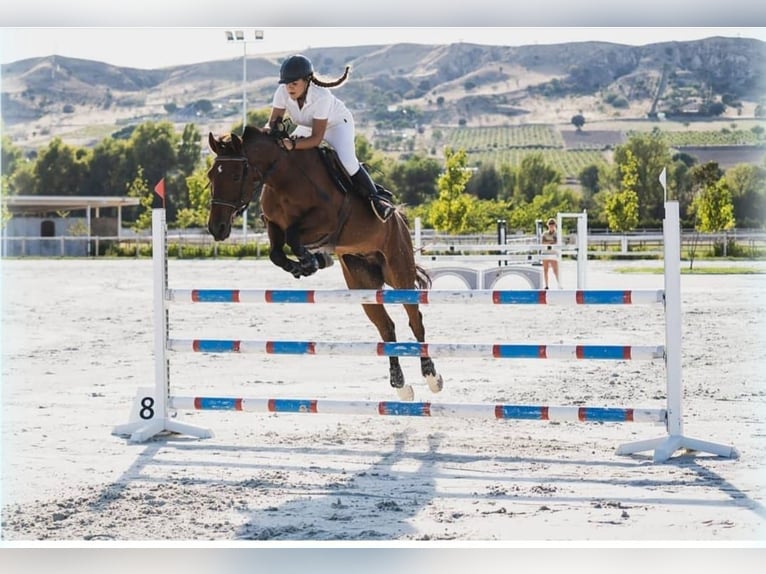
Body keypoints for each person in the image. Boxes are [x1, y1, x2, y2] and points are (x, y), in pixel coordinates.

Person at [265, 54, 394, 222]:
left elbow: (316, 139)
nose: (290, 88)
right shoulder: (282, 92)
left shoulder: (322, 96)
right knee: (288, 155)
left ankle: (377, 199)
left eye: (294, 84)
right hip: (309, 125)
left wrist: (292, 143)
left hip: (337, 125)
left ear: (307, 81)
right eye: (287, 84)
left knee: (347, 161)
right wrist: (266, 134)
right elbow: (273, 123)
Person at [541, 218, 562, 289]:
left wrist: (548, 241)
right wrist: (550, 242)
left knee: (555, 270)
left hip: (553, 253)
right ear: (548, 225)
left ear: (555, 225)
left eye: (552, 224)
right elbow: (543, 242)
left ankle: (559, 284)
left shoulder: (557, 233)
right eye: (550, 224)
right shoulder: (545, 233)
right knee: (545, 270)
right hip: (545, 253)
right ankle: (546, 285)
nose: (551, 226)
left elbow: (555, 242)